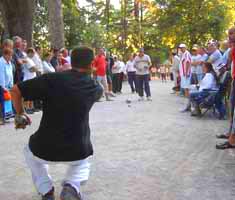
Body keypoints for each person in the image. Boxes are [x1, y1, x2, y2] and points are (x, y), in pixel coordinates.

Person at [11, 46, 103, 200]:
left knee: (29, 152)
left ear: (70, 61)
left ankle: (46, 190)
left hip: (44, 147)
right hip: (78, 149)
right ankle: (72, 186)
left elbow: (15, 90)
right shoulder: (95, 88)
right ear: (92, 63)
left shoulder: (52, 79)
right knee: (83, 162)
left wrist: (21, 114)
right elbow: (89, 88)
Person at [216, 27, 235, 149]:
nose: (229, 37)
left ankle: (232, 139)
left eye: (231, 35)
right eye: (229, 35)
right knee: (232, 109)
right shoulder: (231, 50)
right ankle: (231, 135)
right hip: (233, 79)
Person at [0, 48, 14, 124]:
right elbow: (1, 75)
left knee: (6, 101)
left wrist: (11, 84)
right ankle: (1, 118)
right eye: (10, 55)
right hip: (1, 85)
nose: (11, 57)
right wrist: (3, 86)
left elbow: (11, 75)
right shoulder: (1, 62)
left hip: (8, 85)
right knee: (1, 102)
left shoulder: (9, 62)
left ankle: (4, 117)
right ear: (5, 55)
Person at [23, 48, 38, 114]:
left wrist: (36, 68)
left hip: (32, 79)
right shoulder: (26, 59)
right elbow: (32, 69)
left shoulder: (31, 60)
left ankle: (31, 107)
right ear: (29, 52)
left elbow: (35, 68)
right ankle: (27, 108)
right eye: (33, 53)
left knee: (31, 94)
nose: (34, 54)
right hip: (28, 79)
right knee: (28, 95)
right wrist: (36, 68)